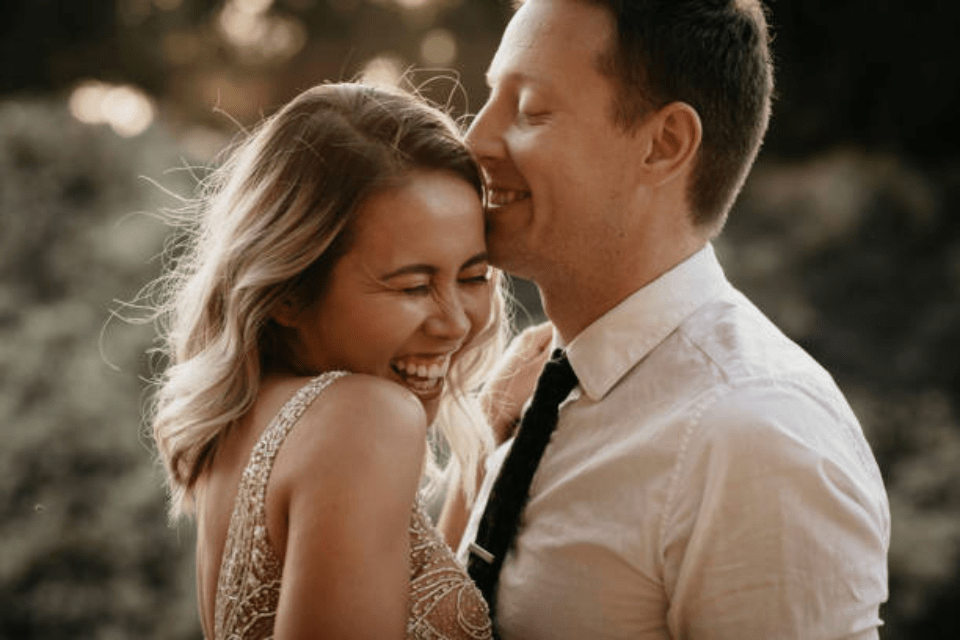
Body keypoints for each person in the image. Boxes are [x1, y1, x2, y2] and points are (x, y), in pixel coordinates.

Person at [451, 0, 892, 638]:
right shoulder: (536, 383)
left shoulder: (755, 439)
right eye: (493, 99)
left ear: (663, 145)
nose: (476, 140)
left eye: (529, 110)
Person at [148, 82, 551, 639]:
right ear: (288, 292)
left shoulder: (249, 426)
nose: (457, 323)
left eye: (474, 277)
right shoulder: (364, 419)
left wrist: (481, 448)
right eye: (413, 286)